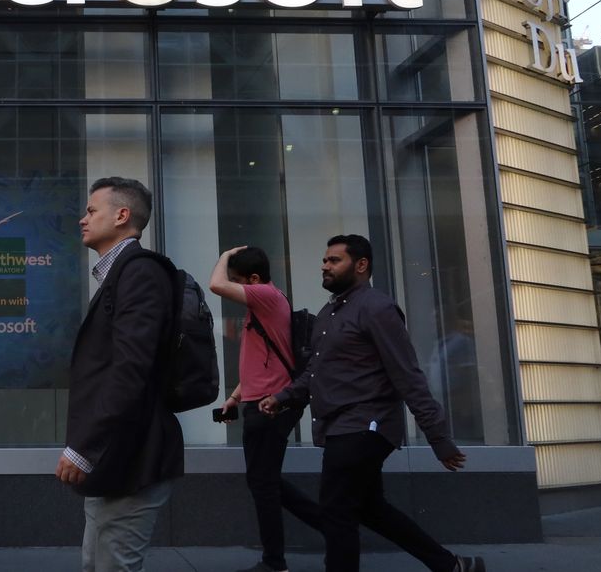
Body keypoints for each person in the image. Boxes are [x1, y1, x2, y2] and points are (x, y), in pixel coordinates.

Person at [260, 235, 485, 572]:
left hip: (365, 425)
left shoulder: (377, 308)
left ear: (361, 265)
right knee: (368, 507)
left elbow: (407, 374)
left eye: (334, 260)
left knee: (336, 511)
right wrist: (284, 396)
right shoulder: (330, 312)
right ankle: (451, 565)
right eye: (325, 260)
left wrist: (438, 437)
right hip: (340, 425)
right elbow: (316, 372)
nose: (325, 266)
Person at [55, 177, 183, 572]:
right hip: (115, 460)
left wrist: (84, 446)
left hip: (132, 459)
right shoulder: (121, 274)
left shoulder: (139, 274)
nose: (83, 219)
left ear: (122, 215)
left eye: (92, 211)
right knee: (96, 564)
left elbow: (131, 370)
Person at [210, 246, 321, 572]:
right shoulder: (264, 304)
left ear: (255, 280)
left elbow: (216, 285)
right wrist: (234, 397)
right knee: (264, 481)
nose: (235, 287)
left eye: (239, 282)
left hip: (271, 406)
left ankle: (276, 562)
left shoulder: (267, 297)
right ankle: (332, 526)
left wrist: (224, 257)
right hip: (260, 402)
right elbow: (262, 360)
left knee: (263, 483)